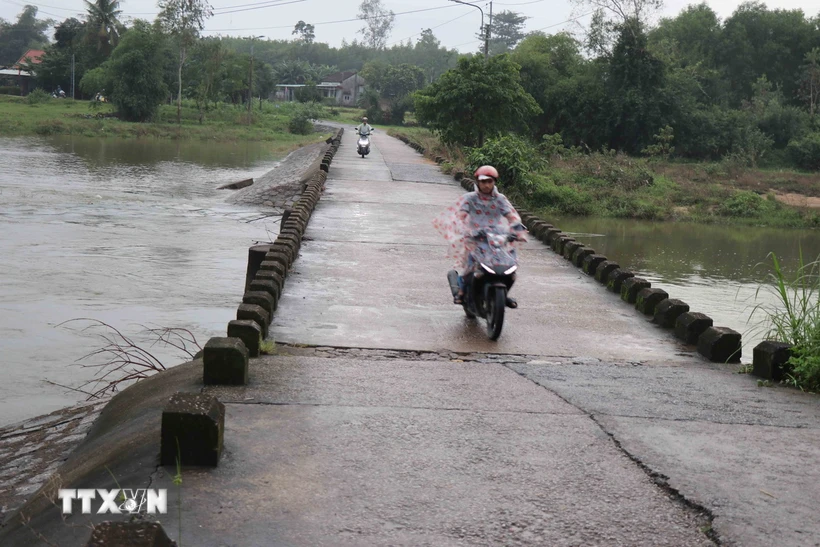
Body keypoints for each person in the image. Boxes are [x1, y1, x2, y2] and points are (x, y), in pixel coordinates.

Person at [433, 165, 526, 306]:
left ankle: (503, 294)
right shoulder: (470, 198)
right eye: (483, 181)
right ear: (477, 182)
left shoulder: (500, 199)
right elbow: (461, 216)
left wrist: (517, 230)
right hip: (475, 237)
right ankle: (462, 291)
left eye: (490, 181)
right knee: (472, 265)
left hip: (496, 237)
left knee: (510, 268)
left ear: (494, 182)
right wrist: (464, 229)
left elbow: (511, 216)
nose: (487, 185)